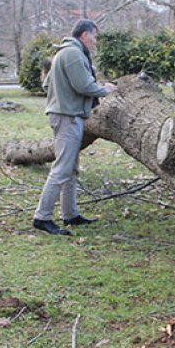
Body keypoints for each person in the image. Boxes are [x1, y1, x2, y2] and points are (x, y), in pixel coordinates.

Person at [32, 19, 117, 235]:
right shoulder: (73, 53)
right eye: (94, 36)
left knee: (70, 169)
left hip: (66, 114)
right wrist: (105, 89)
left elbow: (46, 83)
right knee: (62, 169)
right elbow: (83, 86)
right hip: (67, 116)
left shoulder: (65, 52)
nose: (95, 41)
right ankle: (42, 217)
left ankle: (70, 214)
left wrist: (62, 95)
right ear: (84, 35)